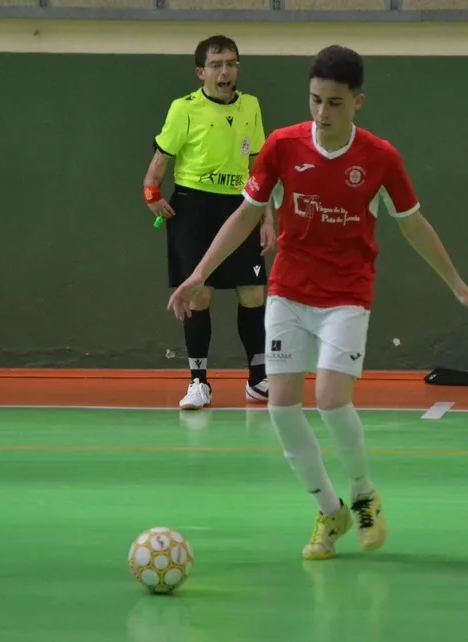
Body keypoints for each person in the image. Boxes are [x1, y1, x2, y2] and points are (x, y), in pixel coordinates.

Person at [166, 45, 468, 561]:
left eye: (335, 103)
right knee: (281, 407)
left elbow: (414, 224)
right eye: (315, 100)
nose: (322, 113)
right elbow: (246, 214)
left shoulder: (380, 158)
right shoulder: (283, 146)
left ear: (357, 102)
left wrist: (460, 288)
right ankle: (330, 509)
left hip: (347, 293)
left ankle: (364, 493)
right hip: (289, 290)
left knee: (329, 399)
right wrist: (198, 274)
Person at [144, 35, 276, 411]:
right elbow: (158, 165)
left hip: (241, 207)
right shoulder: (183, 108)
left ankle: (258, 380)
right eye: (216, 65)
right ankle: (198, 382)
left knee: (253, 293)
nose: (225, 71)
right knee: (199, 294)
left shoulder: (250, 106)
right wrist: (152, 194)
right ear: (201, 72)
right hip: (193, 208)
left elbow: (259, 168)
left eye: (231, 64)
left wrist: (267, 217)